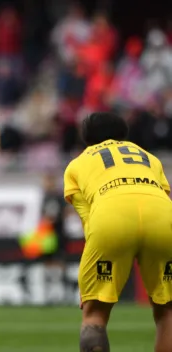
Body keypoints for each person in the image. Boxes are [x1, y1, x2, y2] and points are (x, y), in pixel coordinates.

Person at [63, 112, 172, 352]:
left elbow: (89, 220)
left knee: (95, 316)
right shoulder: (150, 158)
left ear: (87, 139)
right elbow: (164, 196)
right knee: (168, 310)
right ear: (124, 134)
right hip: (164, 217)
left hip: (112, 218)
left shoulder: (78, 164)